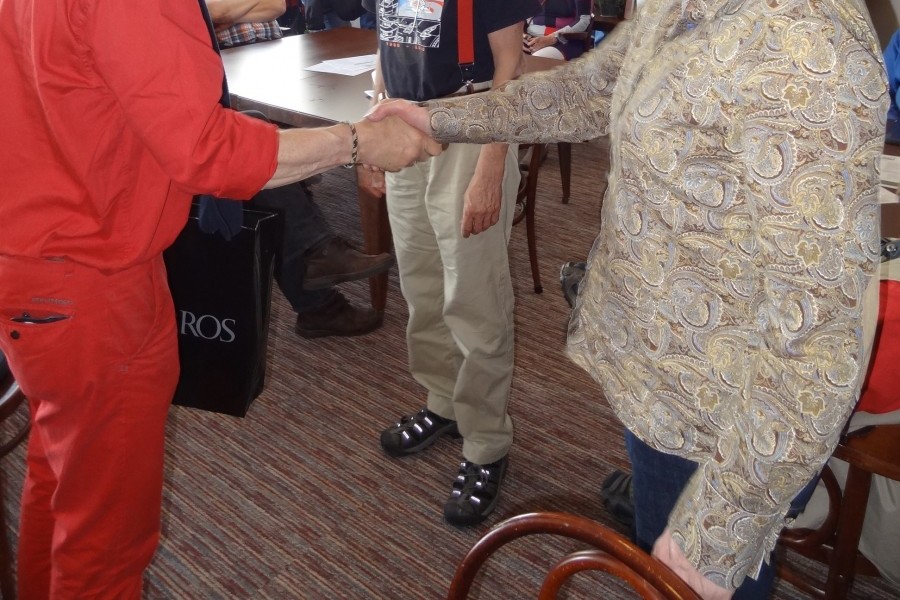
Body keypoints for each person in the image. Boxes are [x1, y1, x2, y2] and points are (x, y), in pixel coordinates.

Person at [367, 0, 887, 596]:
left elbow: (820, 338)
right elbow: (593, 89)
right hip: (656, 380)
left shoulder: (805, 41)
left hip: (718, 420)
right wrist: (441, 118)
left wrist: (717, 535)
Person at [0, 0, 439, 596]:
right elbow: (208, 152)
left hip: (30, 260)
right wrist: (357, 141)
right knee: (106, 541)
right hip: (93, 284)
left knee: (61, 476)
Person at [360, 0, 540, 527]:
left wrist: (491, 163)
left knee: (474, 296)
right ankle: (443, 401)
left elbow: (510, 65)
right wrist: (374, 123)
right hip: (403, 122)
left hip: (470, 126)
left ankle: (486, 441)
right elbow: (386, 43)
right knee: (422, 287)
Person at [210, 0, 395, 338]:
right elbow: (208, 14)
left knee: (257, 133)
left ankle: (317, 273)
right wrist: (220, 13)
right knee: (252, 141)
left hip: (267, 55)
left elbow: (274, 6)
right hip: (214, 83)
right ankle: (318, 273)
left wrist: (220, 15)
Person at [523, 0, 593, 60]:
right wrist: (520, 36)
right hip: (529, 38)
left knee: (536, 59)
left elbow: (583, 21)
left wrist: (552, 38)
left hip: (565, 40)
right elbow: (520, 17)